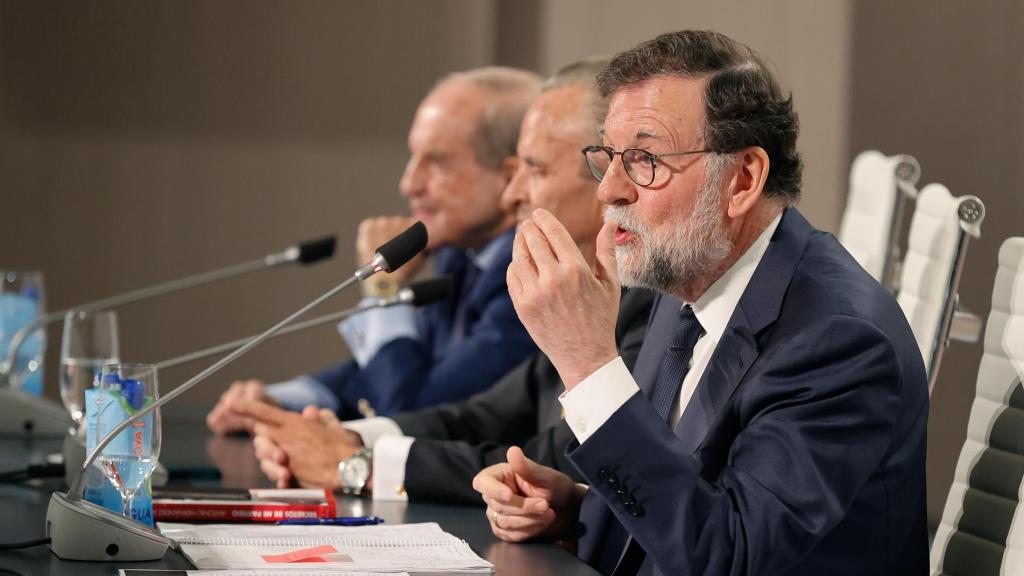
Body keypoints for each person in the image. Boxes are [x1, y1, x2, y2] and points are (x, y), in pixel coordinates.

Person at [472, 31, 929, 575]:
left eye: (644, 159)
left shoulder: (838, 340)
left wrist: (588, 364)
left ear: (742, 179)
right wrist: (575, 510)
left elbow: (731, 555)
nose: (609, 190)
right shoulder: (690, 280)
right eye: (610, 156)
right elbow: (688, 500)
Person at [231, 58, 656, 504]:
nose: (513, 195)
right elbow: (477, 416)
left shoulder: (639, 301)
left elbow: (557, 458)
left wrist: (356, 463)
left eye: (534, 170)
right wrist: (332, 439)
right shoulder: (464, 264)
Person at [207, 67, 542, 433]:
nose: (409, 183)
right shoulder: (460, 258)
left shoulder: (530, 275)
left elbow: (408, 410)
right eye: (413, 158)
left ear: (509, 177)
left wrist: (384, 287)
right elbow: (392, 370)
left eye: (437, 162)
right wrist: (283, 402)